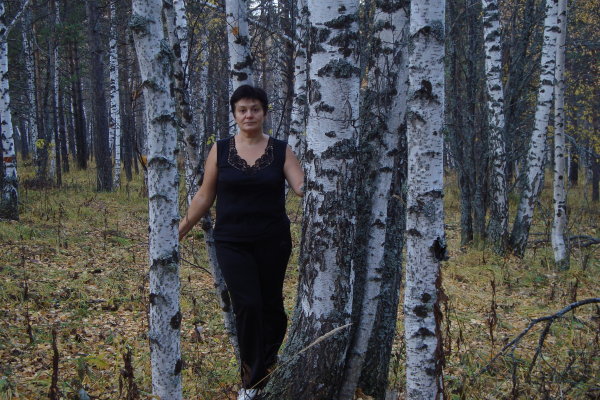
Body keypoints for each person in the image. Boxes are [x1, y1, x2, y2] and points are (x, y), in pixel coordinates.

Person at [178, 85, 304, 400]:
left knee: (272, 307)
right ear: (234, 114)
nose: (249, 115)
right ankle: (251, 382)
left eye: (255, 109)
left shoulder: (281, 150)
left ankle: (269, 362)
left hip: (273, 241)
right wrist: (180, 229)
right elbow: (205, 195)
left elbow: (301, 186)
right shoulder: (220, 150)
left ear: (264, 112)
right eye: (242, 110)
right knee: (247, 305)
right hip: (232, 241)